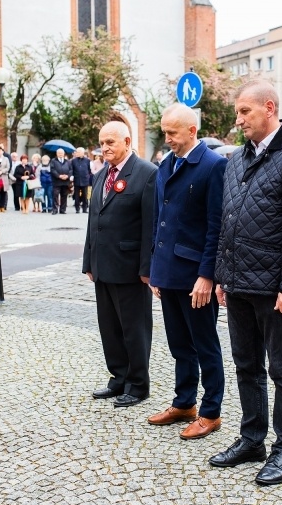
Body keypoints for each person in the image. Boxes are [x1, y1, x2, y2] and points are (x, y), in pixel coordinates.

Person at [212, 79, 282, 486]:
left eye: (245, 111)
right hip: (239, 284)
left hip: (276, 288)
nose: (238, 119)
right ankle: (252, 439)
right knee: (246, 366)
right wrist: (223, 276)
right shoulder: (238, 158)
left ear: (270, 108)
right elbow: (228, 221)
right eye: (238, 112)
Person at [148, 104, 227, 440]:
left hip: (196, 276)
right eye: (165, 132)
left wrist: (207, 275)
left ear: (192, 131)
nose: (168, 139)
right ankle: (184, 403)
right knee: (179, 344)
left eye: (173, 133)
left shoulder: (213, 166)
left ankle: (211, 412)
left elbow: (216, 226)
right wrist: (155, 270)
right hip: (169, 272)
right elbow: (158, 222)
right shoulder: (167, 163)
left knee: (204, 344)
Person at [83, 121, 157, 408]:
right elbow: (93, 221)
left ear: (127, 141)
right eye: (102, 143)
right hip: (103, 266)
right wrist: (89, 260)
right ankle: (118, 378)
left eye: (111, 142)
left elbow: (150, 226)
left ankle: (138, 385)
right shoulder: (102, 175)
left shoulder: (147, 174)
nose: (105, 148)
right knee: (110, 328)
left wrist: (146, 269)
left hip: (130, 269)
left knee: (134, 328)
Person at [50, 147, 72, 214]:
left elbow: (71, 170)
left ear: (64, 153)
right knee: (55, 195)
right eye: (59, 153)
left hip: (65, 181)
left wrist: (67, 176)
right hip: (57, 181)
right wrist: (59, 176)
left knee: (64, 196)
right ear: (57, 154)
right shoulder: (53, 161)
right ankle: (55, 210)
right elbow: (52, 170)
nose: (60, 154)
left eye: (61, 153)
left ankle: (63, 210)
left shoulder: (68, 161)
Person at [71, 147, 91, 214]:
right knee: (76, 195)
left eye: (79, 152)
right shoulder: (73, 161)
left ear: (83, 153)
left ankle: (85, 208)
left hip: (85, 180)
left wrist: (87, 176)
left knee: (85, 195)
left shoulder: (87, 160)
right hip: (76, 179)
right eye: (77, 152)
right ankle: (77, 209)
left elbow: (88, 170)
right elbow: (72, 170)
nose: (77, 153)